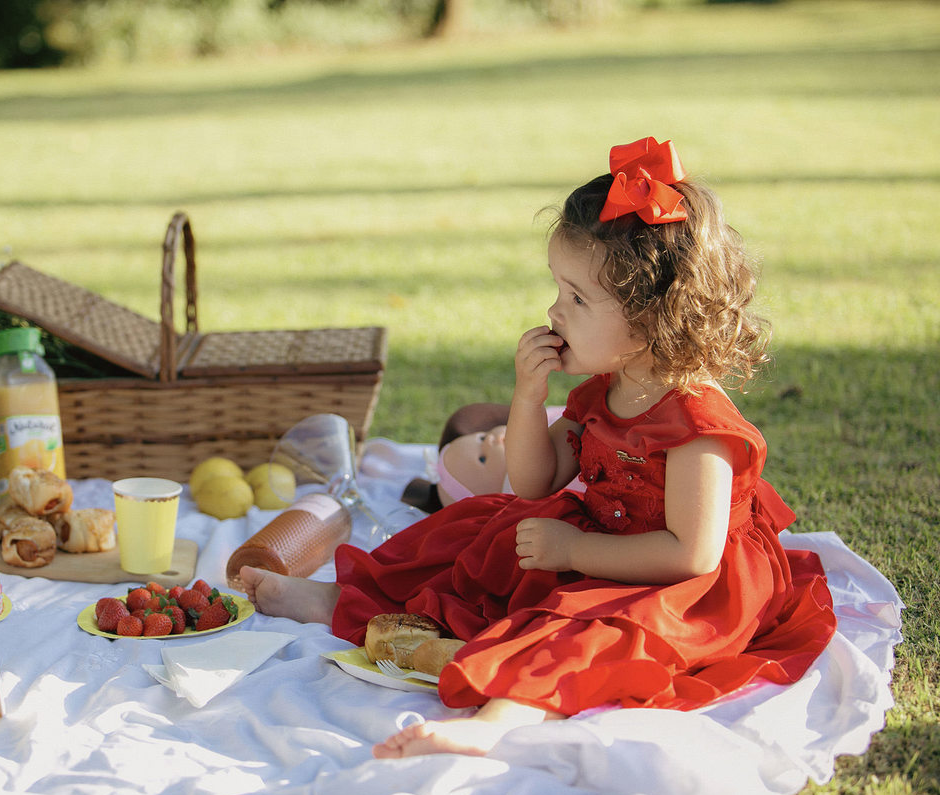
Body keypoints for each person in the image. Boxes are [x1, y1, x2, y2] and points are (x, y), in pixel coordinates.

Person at [239, 137, 836, 758]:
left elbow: (691, 555)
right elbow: (533, 480)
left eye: (578, 299)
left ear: (652, 321)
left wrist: (576, 547)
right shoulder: (607, 389)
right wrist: (528, 397)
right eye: (558, 288)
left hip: (678, 583)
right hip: (605, 538)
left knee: (589, 630)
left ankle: (500, 720)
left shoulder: (697, 425)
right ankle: (351, 603)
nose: (555, 310)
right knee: (473, 527)